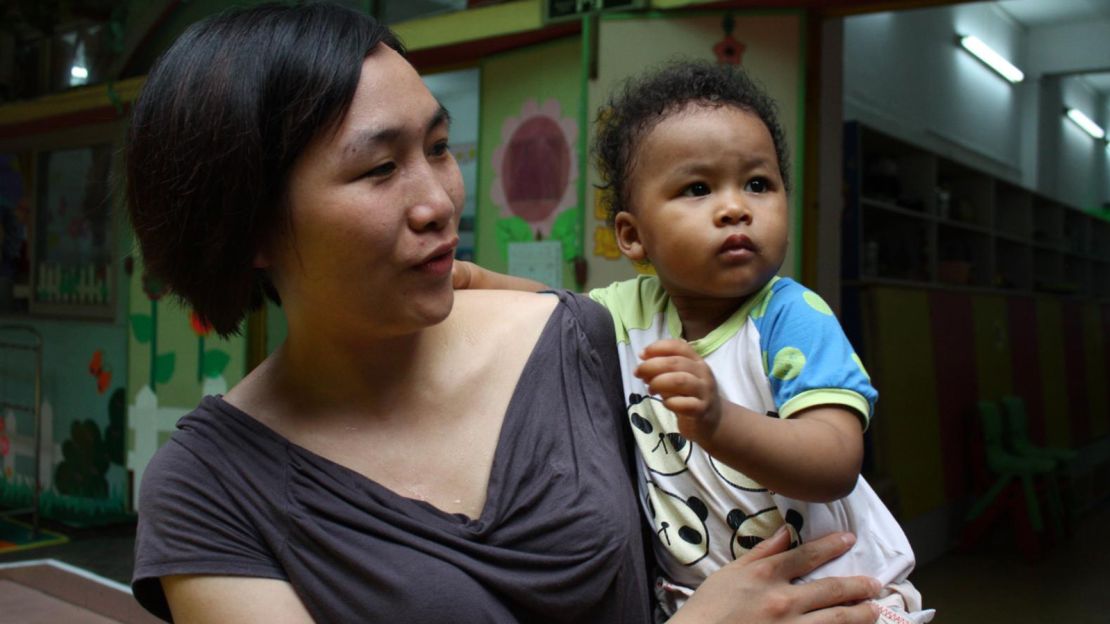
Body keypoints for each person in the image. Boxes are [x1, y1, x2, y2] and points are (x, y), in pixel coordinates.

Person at [126, 4, 885, 623]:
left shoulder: (576, 340)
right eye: (380, 168)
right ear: (249, 225)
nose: (439, 202)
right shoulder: (207, 488)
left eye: (439, 147)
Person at [457, 61, 934, 624]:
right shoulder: (631, 312)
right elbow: (549, 308)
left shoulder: (790, 317)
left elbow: (836, 460)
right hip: (705, 604)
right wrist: (471, 280)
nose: (736, 207)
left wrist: (718, 420)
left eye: (759, 183)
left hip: (838, 591)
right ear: (633, 237)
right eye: (698, 188)